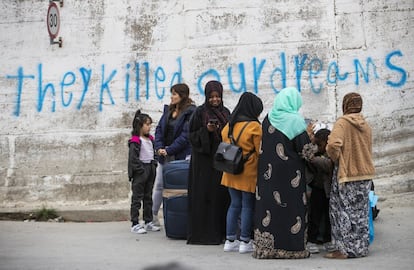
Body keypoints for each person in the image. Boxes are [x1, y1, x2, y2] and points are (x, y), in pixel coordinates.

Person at [253, 87, 310, 259]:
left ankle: (267, 249)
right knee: (292, 209)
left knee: (268, 208)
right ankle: (292, 249)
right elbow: (306, 151)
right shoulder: (296, 121)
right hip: (290, 175)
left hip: (267, 174)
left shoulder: (268, 119)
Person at [324, 92, 375, 259]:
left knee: (341, 211)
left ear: (345, 105)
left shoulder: (342, 123)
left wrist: (338, 158)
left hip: (347, 175)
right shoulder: (365, 124)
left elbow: (333, 144)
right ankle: (360, 248)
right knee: (360, 214)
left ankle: (343, 250)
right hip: (365, 175)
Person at [187, 80, 231, 245]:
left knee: (221, 198)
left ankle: (222, 233)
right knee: (204, 197)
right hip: (203, 165)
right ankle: (203, 234)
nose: (214, 100)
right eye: (211, 97)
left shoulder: (226, 113)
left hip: (221, 163)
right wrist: (206, 131)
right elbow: (191, 136)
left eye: (217, 96)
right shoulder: (199, 113)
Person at [221, 92, 263, 254]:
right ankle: (245, 241)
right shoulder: (254, 127)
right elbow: (260, 151)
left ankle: (230, 240)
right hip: (248, 171)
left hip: (230, 170)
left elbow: (225, 144)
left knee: (234, 204)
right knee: (247, 206)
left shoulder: (229, 125)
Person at [152, 84, 196, 226]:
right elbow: (159, 130)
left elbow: (185, 136)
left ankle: (180, 219)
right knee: (159, 185)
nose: (172, 96)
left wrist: (169, 149)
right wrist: (159, 147)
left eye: (175, 94)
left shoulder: (190, 112)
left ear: (182, 96)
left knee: (180, 189)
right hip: (164, 154)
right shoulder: (168, 111)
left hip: (181, 155)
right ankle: (152, 216)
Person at [128, 110, 160, 234]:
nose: (149, 127)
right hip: (140, 172)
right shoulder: (135, 141)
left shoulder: (151, 139)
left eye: (150, 124)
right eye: (147, 124)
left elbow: (154, 152)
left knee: (148, 197)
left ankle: (148, 221)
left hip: (150, 170)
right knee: (137, 198)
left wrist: (154, 163)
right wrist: (140, 170)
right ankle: (135, 223)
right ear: (140, 126)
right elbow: (133, 159)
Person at [303, 128, 334, 254]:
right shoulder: (315, 153)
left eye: (319, 145)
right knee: (314, 216)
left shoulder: (330, 155)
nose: (316, 147)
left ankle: (327, 240)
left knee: (328, 217)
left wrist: (312, 158)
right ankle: (312, 240)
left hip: (328, 190)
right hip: (317, 189)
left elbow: (328, 165)